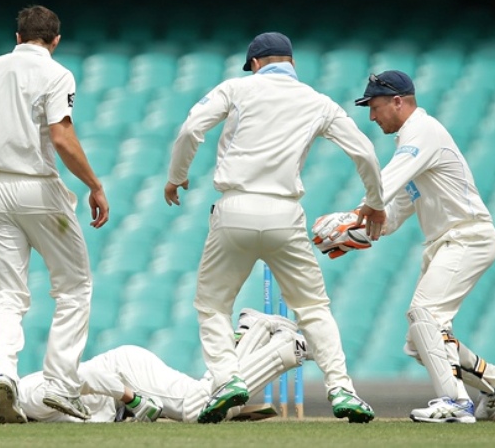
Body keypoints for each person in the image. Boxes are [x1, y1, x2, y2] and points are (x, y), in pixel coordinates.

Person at [162, 32, 386, 424]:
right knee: (314, 308)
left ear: (254, 63)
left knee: (212, 306)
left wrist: (176, 176)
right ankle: (342, 389)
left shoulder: (237, 87)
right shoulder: (317, 101)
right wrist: (375, 203)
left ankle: (228, 378)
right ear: (291, 63)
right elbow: (364, 151)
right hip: (285, 213)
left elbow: (190, 129)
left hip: (235, 209)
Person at [0, 5, 109, 422]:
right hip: (38, 189)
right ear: (55, 40)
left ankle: (4, 372)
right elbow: (62, 137)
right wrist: (94, 184)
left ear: (17, 37)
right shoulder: (57, 74)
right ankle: (58, 384)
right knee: (74, 287)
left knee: (6, 293)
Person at [335, 70, 495, 423]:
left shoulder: (422, 132)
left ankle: (455, 403)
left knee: (426, 316)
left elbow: (385, 183)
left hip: (468, 236)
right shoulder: (412, 143)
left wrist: (356, 211)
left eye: (375, 107)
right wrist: (358, 230)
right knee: (420, 341)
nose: (372, 117)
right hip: (447, 242)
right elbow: (392, 214)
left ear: (398, 102)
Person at [0, 309, 307, 423]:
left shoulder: (26, 396)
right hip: (121, 379)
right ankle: (251, 330)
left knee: (197, 408)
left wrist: (133, 399)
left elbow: (83, 375)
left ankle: (283, 347)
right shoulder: (23, 404)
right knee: (217, 406)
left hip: (126, 373)